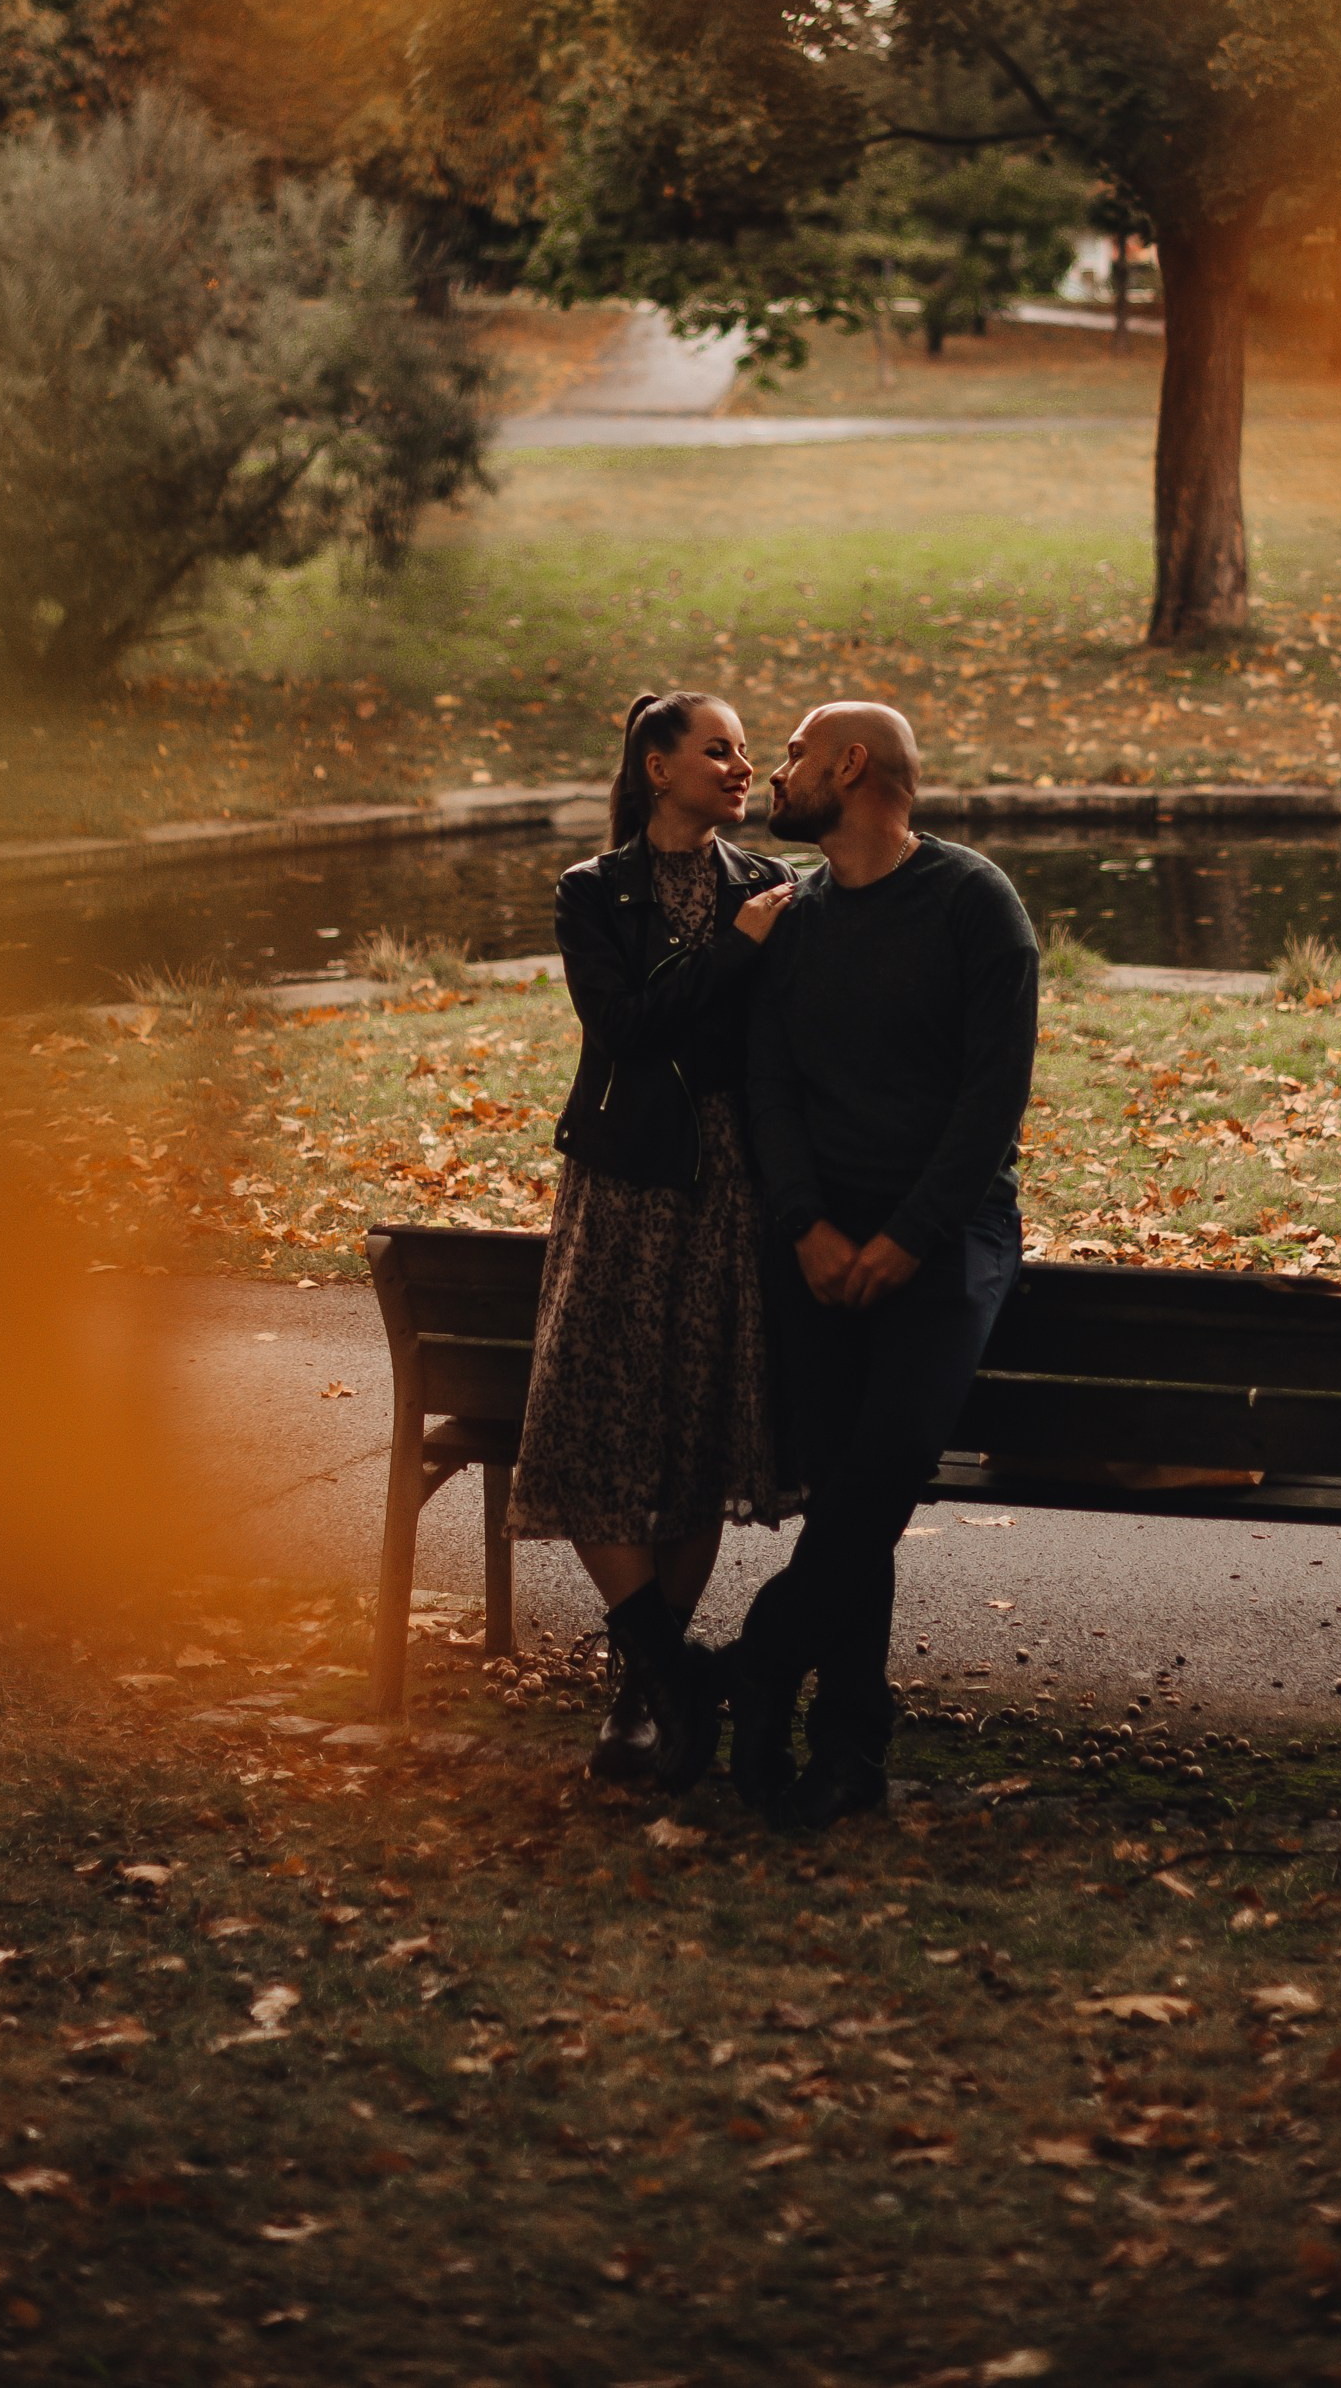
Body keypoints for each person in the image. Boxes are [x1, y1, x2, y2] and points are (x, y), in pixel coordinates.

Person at [726, 700, 1039, 1830]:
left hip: (946, 1238)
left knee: (883, 1465)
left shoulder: (971, 902)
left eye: (798, 755)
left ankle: (756, 1665)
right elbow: (769, 1085)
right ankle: (847, 1746)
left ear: (851, 765)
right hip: (812, 1248)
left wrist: (906, 1236)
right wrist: (806, 1223)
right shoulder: (791, 920)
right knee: (842, 1481)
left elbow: (989, 1097)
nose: (776, 772)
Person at [510, 689, 797, 1789]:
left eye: (744, 750)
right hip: (627, 1177)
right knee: (589, 1419)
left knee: (693, 1427)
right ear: (657, 763)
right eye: (717, 749)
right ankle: (666, 1668)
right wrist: (728, 948)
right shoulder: (596, 890)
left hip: (726, 1183)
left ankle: (644, 1691)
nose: (740, 766)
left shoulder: (769, 885)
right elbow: (625, 1026)